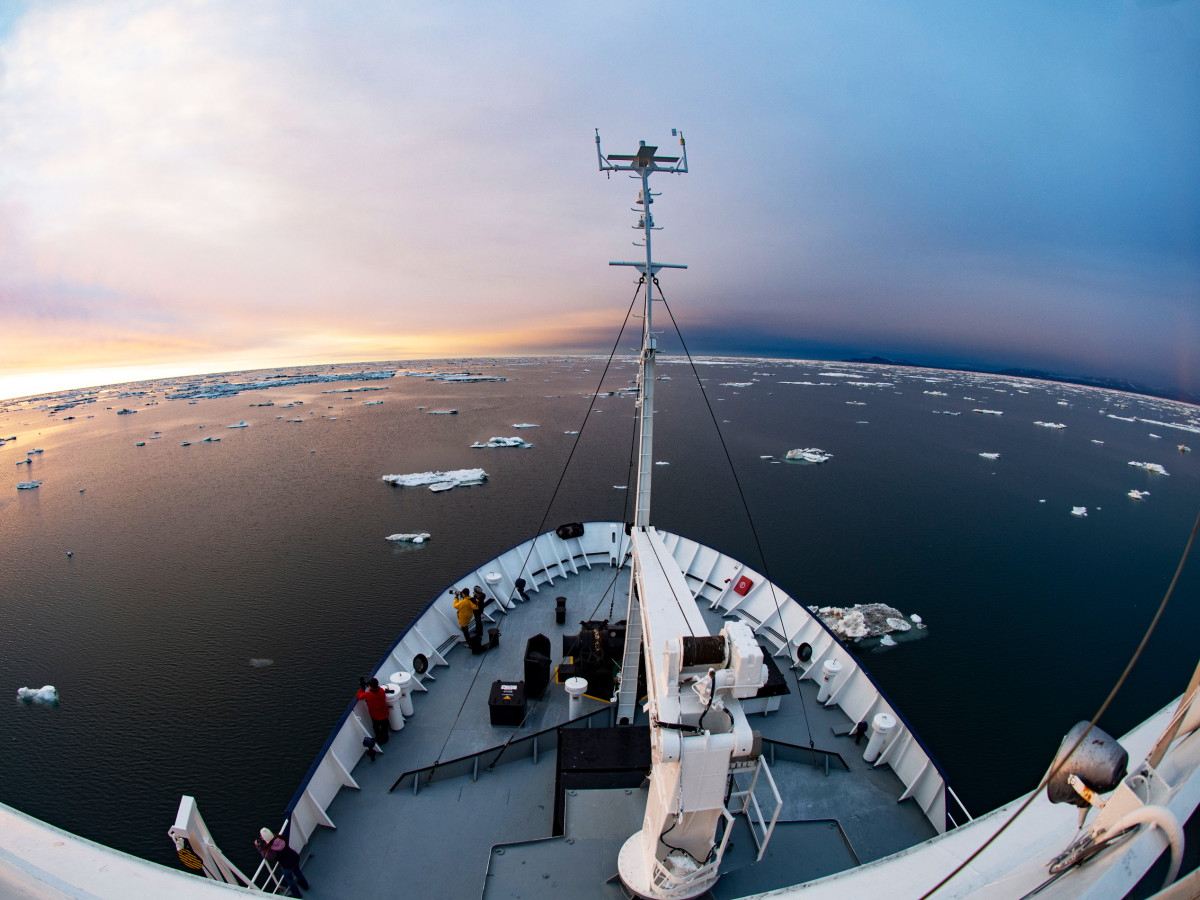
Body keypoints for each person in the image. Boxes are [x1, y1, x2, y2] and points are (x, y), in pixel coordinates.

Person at [255, 828, 310, 897]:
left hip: (287, 866)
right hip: (294, 858)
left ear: (264, 839)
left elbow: (267, 857)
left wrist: (259, 847)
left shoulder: (271, 849)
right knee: (298, 872)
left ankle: (297, 895)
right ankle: (305, 885)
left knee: (290, 880)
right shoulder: (280, 837)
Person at [356, 676, 389, 746]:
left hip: (375, 716)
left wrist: (362, 687)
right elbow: (378, 689)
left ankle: (380, 740)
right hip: (384, 713)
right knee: (384, 727)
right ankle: (385, 738)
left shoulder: (368, 695)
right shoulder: (382, 691)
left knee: (377, 729)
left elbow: (359, 696)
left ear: (370, 687)